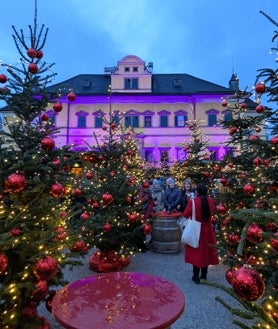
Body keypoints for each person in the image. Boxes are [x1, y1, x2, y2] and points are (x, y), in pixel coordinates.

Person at [183, 182, 219, 284]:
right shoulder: (211, 201)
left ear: (197, 191)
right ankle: (204, 275)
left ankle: (195, 275)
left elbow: (185, 214)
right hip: (208, 231)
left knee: (196, 252)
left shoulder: (193, 202)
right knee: (206, 252)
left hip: (196, 230)